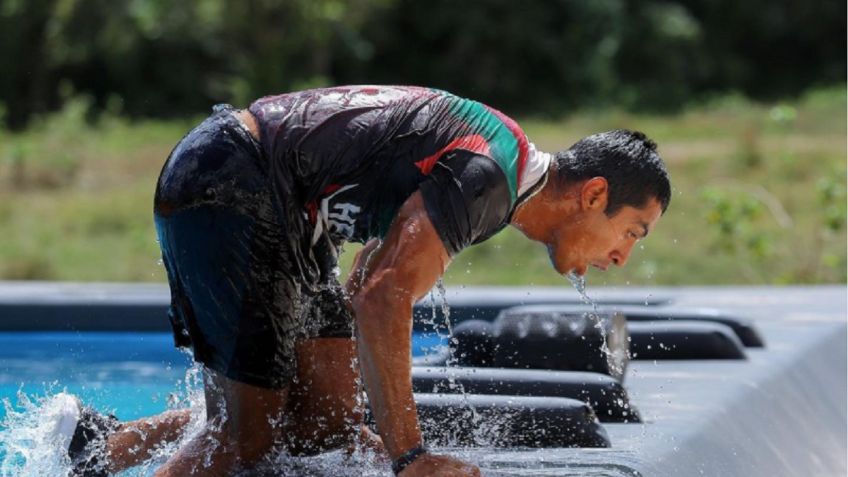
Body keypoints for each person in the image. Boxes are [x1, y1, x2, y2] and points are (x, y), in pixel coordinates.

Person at [56, 85, 671, 476]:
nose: (623, 256)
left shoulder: (499, 174)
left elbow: (365, 283)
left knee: (323, 427)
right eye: (633, 232)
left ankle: (103, 446)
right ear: (594, 194)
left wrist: (375, 431)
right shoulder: (489, 177)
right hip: (234, 183)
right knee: (244, 444)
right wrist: (410, 457)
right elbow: (383, 298)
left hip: (278, 206)